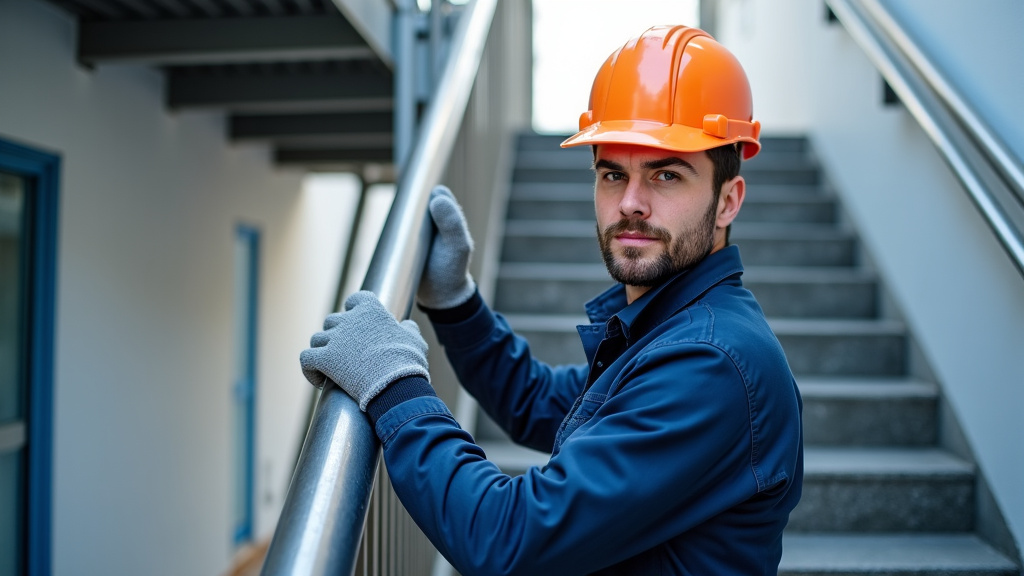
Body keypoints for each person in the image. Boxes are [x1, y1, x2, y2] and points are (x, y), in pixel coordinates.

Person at [300, 24, 803, 576]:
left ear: (728, 200)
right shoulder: (669, 329)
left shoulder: (712, 364)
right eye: (613, 173)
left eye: (666, 174)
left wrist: (395, 388)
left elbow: (510, 537)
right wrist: (456, 304)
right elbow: (538, 402)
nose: (631, 203)